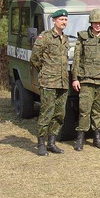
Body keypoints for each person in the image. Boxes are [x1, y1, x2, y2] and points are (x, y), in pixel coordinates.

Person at [71, 8, 100, 151]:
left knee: (99, 111)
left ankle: (97, 138)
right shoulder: (83, 38)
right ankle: (80, 139)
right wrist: (75, 78)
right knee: (84, 110)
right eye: (95, 22)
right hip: (87, 80)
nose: (98, 25)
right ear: (91, 23)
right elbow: (76, 59)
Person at [30, 9, 69, 156]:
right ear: (54, 21)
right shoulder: (45, 37)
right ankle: (41, 143)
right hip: (48, 82)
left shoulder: (65, 39)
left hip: (62, 82)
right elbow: (34, 58)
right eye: (61, 20)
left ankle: (51, 143)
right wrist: (45, 71)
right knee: (46, 113)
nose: (63, 22)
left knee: (60, 114)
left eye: (65, 20)